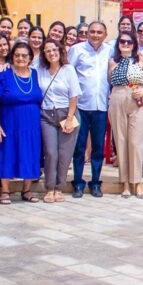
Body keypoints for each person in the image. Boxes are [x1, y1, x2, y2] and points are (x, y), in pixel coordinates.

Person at [0, 42, 43, 204]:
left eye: (24, 55)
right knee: (7, 152)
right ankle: (5, 191)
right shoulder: (4, 75)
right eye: (17, 55)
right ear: (12, 57)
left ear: (30, 58)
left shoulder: (35, 74)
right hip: (10, 123)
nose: (21, 58)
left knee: (30, 153)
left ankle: (26, 190)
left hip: (32, 124)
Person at [68, 21, 113, 198]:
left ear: (105, 35)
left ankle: (95, 182)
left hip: (101, 106)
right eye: (92, 31)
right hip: (81, 106)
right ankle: (78, 182)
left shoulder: (110, 50)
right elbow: (69, 74)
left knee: (98, 147)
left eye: (99, 32)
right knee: (79, 147)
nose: (95, 35)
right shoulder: (77, 50)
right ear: (87, 33)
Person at [108, 31, 143, 198]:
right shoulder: (113, 61)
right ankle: (125, 183)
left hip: (137, 98)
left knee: (135, 142)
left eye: (129, 42)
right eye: (122, 41)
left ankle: (137, 182)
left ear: (134, 44)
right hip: (118, 97)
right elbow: (110, 82)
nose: (126, 44)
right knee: (120, 141)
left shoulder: (141, 60)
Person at [37, 39, 81, 203]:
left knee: (64, 153)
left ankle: (59, 187)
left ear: (60, 51)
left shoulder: (68, 69)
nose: (52, 53)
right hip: (47, 115)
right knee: (50, 152)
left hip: (67, 113)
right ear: (44, 54)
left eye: (54, 49)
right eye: (48, 51)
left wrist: (69, 119)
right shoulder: (40, 70)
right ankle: (49, 187)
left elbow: (74, 95)